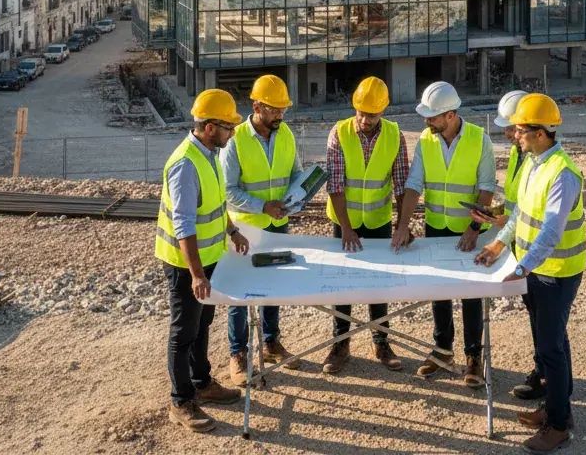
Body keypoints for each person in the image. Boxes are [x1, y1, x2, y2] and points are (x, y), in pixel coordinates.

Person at [475, 94, 586, 454]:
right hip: (536, 269)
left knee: (550, 348)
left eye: (521, 130)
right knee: (552, 343)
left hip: (555, 272)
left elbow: (551, 232)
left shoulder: (562, 173)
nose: (515, 135)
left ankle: (558, 426)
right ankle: (558, 409)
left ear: (540, 133)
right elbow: (522, 216)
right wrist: (499, 245)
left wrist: (522, 266)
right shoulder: (536, 163)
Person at [156, 88, 250, 434]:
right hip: (186, 266)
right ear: (210, 127)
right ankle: (181, 401)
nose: (232, 132)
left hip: (209, 260)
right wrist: (196, 274)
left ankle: (201, 381)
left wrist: (231, 231)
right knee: (183, 333)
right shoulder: (185, 163)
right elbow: (184, 224)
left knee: (202, 325)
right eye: (228, 126)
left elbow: (214, 204)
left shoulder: (209, 154)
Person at [390, 80, 495, 388]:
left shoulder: (479, 139)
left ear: (450, 115)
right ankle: (442, 350)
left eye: (433, 117)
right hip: (437, 227)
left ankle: (473, 357)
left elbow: (487, 187)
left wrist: (474, 228)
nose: (428, 121)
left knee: (471, 294)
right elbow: (413, 186)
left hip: (469, 231)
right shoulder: (426, 140)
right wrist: (402, 227)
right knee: (439, 292)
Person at [321, 76, 411, 376]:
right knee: (342, 284)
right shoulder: (340, 133)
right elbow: (334, 184)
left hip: (377, 220)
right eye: (360, 112)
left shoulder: (395, 136)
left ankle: (381, 341)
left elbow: (401, 184)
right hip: (344, 221)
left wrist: (402, 225)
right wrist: (346, 227)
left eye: (371, 114)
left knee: (378, 284)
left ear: (383, 111)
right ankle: (340, 343)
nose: (364, 119)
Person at [221, 73, 305, 384]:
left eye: (283, 109)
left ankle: (270, 341)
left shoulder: (286, 135)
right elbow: (227, 190)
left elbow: (295, 174)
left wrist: (299, 195)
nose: (280, 115)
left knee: (273, 287)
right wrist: (262, 206)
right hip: (245, 230)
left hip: (278, 226)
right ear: (256, 105)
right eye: (273, 109)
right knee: (240, 295)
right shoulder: (236, 140)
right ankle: (238, 353)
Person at [472, 90, 545, 402]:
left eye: (512, 128)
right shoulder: (520, 154)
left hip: (538, 252)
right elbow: (518, 204)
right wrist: (499, 214)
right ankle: (542, 373)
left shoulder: (541, 161)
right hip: (520, 241)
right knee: (536, 316)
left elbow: (536, 213)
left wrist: (500, 242)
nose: (507, 133)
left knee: (545, 320)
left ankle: (545, 378)